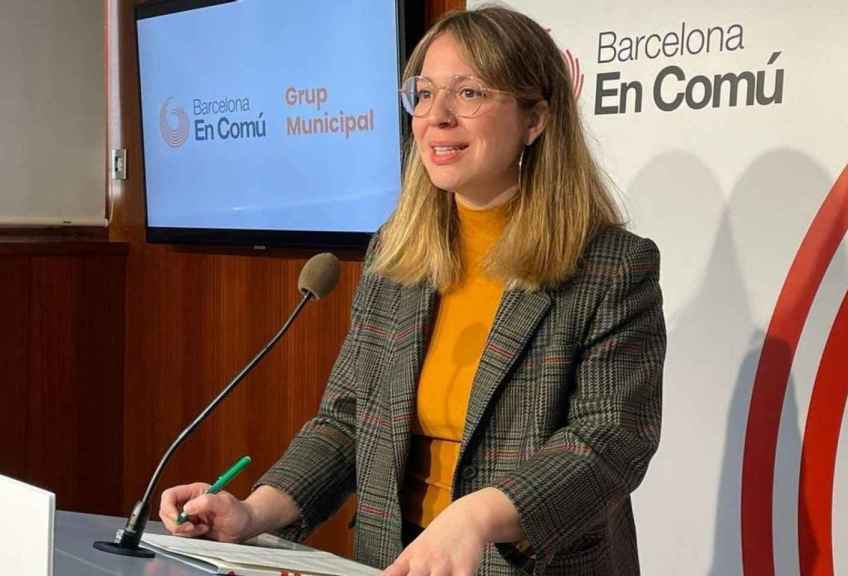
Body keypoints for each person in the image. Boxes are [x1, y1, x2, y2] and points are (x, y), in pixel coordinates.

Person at [159, 6, 666, 575]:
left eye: (469, 92)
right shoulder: (395, 252)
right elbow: (348, 422)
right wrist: (253, 512)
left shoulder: (611, 266)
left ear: (535, 119)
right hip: (395, 561)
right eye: (423, 94)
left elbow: (609, 441)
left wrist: (476, 516)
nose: (436, 117)